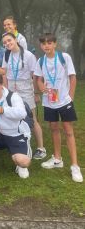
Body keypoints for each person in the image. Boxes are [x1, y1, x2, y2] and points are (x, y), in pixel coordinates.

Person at [34, 33, 83, 183]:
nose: (46, 46)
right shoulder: (41, 61)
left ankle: (75, 166)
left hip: (64, 101)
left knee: (68, 131)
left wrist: (71, 97)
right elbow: (38, 79)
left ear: (55, 44)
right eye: (44, 44)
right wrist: (42, 89)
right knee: (54, 128)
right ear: (41, 46)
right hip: (49, 102)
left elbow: (72, 77)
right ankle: (57, 159)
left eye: (49, 43)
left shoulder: (64, 57)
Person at [2, 32, 46, 160]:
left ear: (16, 39)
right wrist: (6, 91)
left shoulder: (28, 55)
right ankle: (17, 145)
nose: (7, 44)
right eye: (4, 43)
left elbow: (35, 75)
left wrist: (36, 92)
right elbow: (4, 73)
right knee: (14, 117)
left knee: (32, 118)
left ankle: (41, 148)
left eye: (9, 40)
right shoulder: (7, 55)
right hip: (11, 89)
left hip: (26, 89)